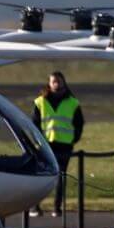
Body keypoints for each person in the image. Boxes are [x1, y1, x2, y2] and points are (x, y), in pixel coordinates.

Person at [32, 71, 83, 217]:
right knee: (41, 176)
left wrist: (74, 139)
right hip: (45, 145)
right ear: (49, 83)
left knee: (61, 177)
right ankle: (35, 207)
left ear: (64, 82)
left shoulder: (73, 103)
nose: (56, 84)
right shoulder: (40, 101)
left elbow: (79, 123)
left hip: (64, 144)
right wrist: (38, 141)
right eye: (54, 81)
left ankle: (57, 207)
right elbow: (34, 124)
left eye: (59, 81)